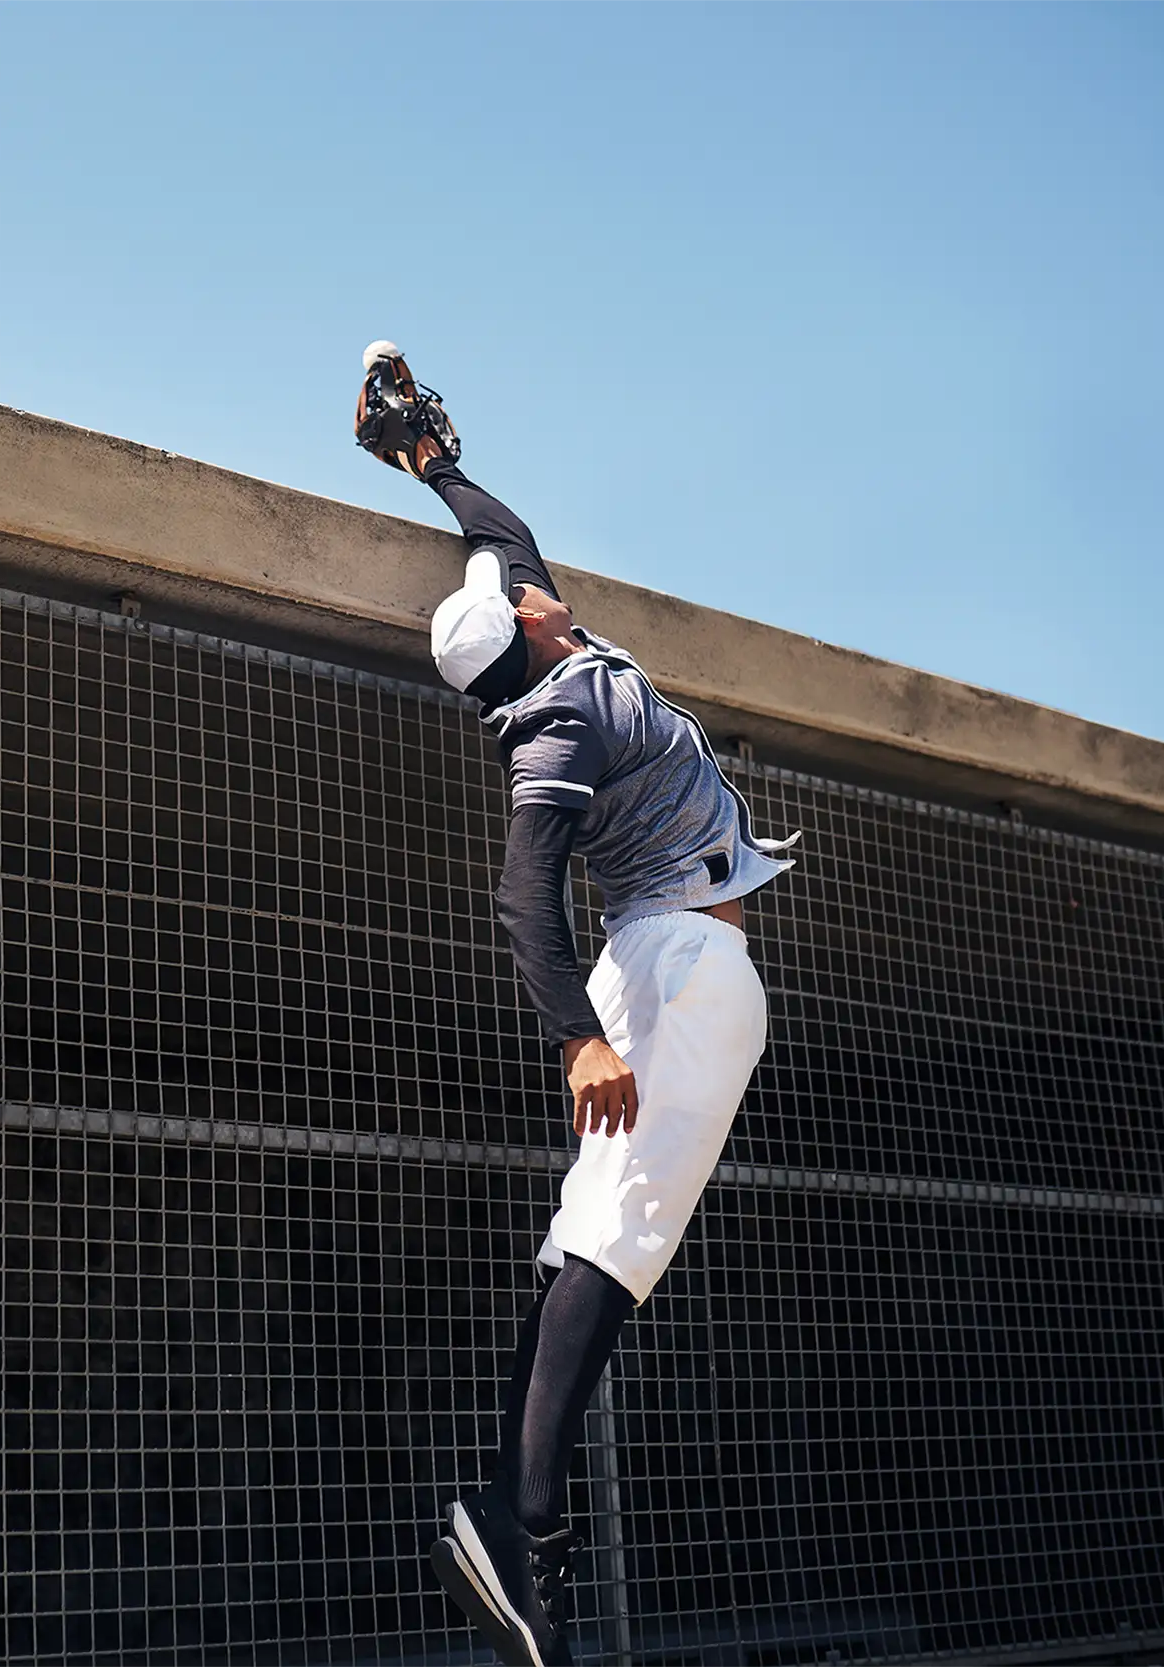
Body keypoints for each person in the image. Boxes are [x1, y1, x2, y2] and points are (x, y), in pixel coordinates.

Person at [354, 344, 797, 1667]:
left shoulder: (551, 644)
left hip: (662, 961)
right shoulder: (557, 728)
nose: (529, 584)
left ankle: (510, 1517)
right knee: (622, 1236)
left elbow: (506, 537)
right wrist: (581, 1038)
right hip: (674, 971)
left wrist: (428, 462)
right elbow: (522, 895)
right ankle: (524, 1528)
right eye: (521, 597)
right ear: (530, 636)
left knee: (589, 1235)